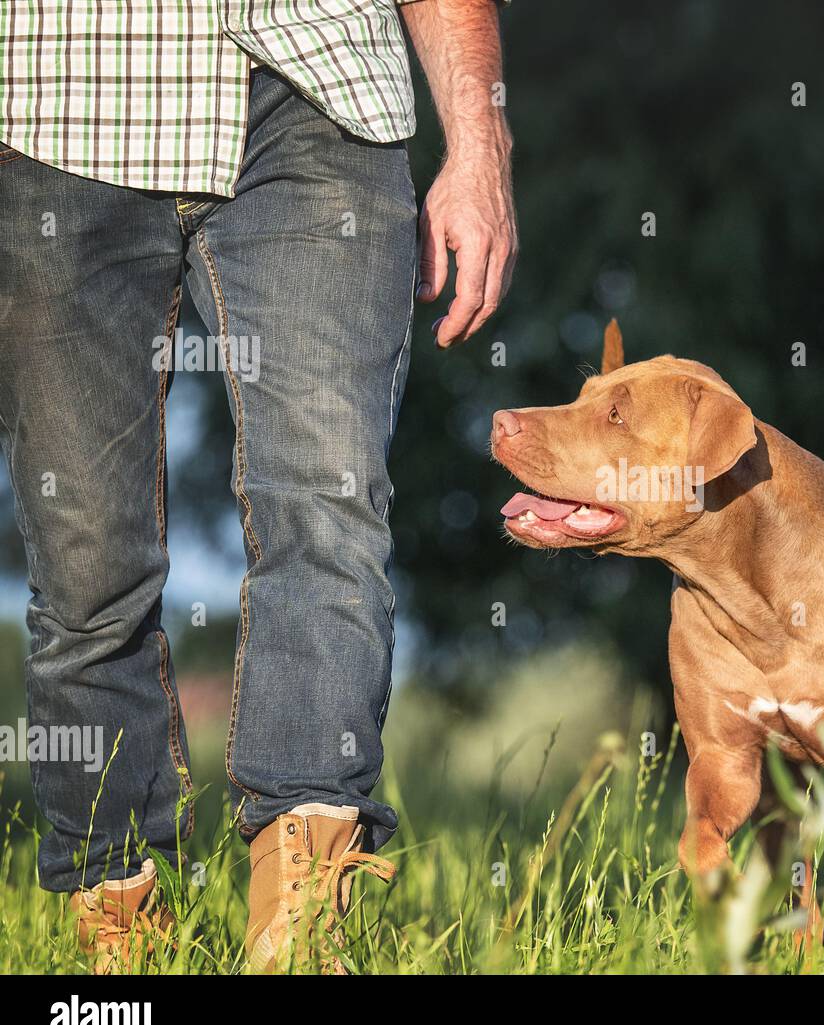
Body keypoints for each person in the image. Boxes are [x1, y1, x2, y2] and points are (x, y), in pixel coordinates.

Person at [0, 0, 517, 972]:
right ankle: (121, 946)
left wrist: (480, 144)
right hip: (57, 104)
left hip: (323, 97)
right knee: (85, 563)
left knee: (330, 514)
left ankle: (305, 929)